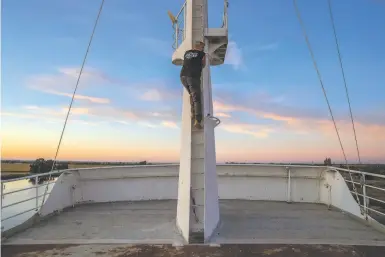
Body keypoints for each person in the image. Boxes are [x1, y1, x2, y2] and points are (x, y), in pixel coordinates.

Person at [180, 41, 206, 129]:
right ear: (200, 47)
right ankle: (198, 121)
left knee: (192, 94)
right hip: (193, 77)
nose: (203, 49)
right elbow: (203, 64)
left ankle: (192, 113)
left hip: (183, 76)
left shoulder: (186, 53)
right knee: (197, 98)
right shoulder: (202, 54)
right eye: (202, 47)